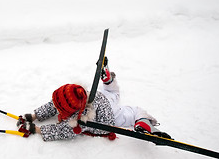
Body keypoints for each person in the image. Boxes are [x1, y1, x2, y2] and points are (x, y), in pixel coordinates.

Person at [18, 58, 171, 141]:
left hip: (109, 118)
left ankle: (142, 123)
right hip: (100, 97)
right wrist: (33, 116)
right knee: (113, 93)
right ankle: (108, 80)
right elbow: (54, 104)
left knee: (133, 112)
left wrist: (34, 128)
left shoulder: (80, 120)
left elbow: (61, 131)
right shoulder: (78, 95)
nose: (55, 107)